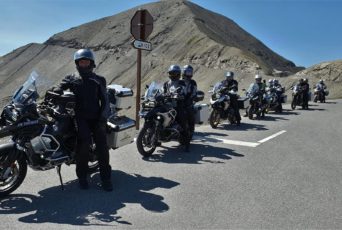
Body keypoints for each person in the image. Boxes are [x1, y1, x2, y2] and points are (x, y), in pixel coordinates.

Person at [53, 48, 113, 191]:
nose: (84, 64)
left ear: (91, 63)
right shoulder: (72, 78)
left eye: (86, 62)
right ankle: (82, 177)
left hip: (97, 118)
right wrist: (56, 90)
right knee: (83, 145)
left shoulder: (99, 80)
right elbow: (60, 87)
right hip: (80, 118)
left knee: (102, 148)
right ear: (77, 63)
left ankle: (106, 179)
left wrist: (103, 118)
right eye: (81, 62)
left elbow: (105, 100)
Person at [163, 65, 190, 151]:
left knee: (182, 121)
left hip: (177, 105)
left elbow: (184, 91)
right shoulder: (166, 83)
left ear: (178, 74)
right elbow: (162, 91)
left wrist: (180, 95)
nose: (172, 75)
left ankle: (186, 143)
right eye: (171, 73)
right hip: (166, 104)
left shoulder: (181, 83)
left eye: (174, 73)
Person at [182, 64, 197, 135]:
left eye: (190, 72)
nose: (189, 74)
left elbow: (194, 92)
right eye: (188, 72)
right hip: (178, 100)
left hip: (188, 101)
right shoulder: (179, 81)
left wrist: (191, 98)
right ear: (184, 72)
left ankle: (191, 129)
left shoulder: (193, 82)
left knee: (190, 112)